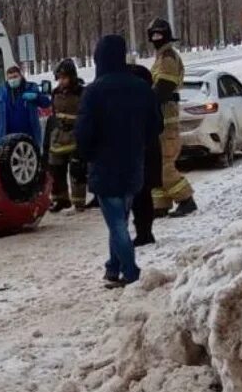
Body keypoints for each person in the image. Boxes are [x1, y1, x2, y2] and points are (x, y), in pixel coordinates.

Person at [75, 35, 162, 288]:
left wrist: (87, 156)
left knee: (116, 224)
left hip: (104, 166)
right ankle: (112, 268)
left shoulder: (93, 92)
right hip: (133, 164)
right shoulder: (141, 88)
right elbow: (155, 125)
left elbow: (83, 132)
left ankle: (131, 273)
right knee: (119, 220)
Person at [147, 18, 197, 217]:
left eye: (159, 35)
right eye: (153, 35)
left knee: (165, 165)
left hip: (166, 120)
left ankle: (186, 199)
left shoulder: (168, 57)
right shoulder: (161, 57)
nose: (156, 39)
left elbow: (164, 87)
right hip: (160, 120)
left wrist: (146, 100)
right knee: (156, 165)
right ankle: (160, 205)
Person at [128, 63, 163, 246]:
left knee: (139, 195)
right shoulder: (150, 96)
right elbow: (159, 125)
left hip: (140, 153)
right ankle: (145, 231)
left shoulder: (134, 99)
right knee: (143, 194)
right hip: (149, 151)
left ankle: (144, 232)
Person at [48, 58, 87, 212]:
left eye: (65, 77)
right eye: (60, 78)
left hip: (75, 135)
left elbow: (86, 114)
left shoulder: (81, 93)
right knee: (56, 169)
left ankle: (79, 202)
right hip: (58, 136)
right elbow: (54, 112)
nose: (62, 81)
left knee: (77, 170)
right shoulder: (55, 93)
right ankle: (60, 199)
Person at [0, 63, 51, 148]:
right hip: (7, 138)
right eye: (10, 78)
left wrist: (36, 96)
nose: (13, 80)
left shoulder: (31, 87)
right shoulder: (1, 92)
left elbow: (46, 103)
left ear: (21, 76)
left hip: (29, 136)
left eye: (15, 77)